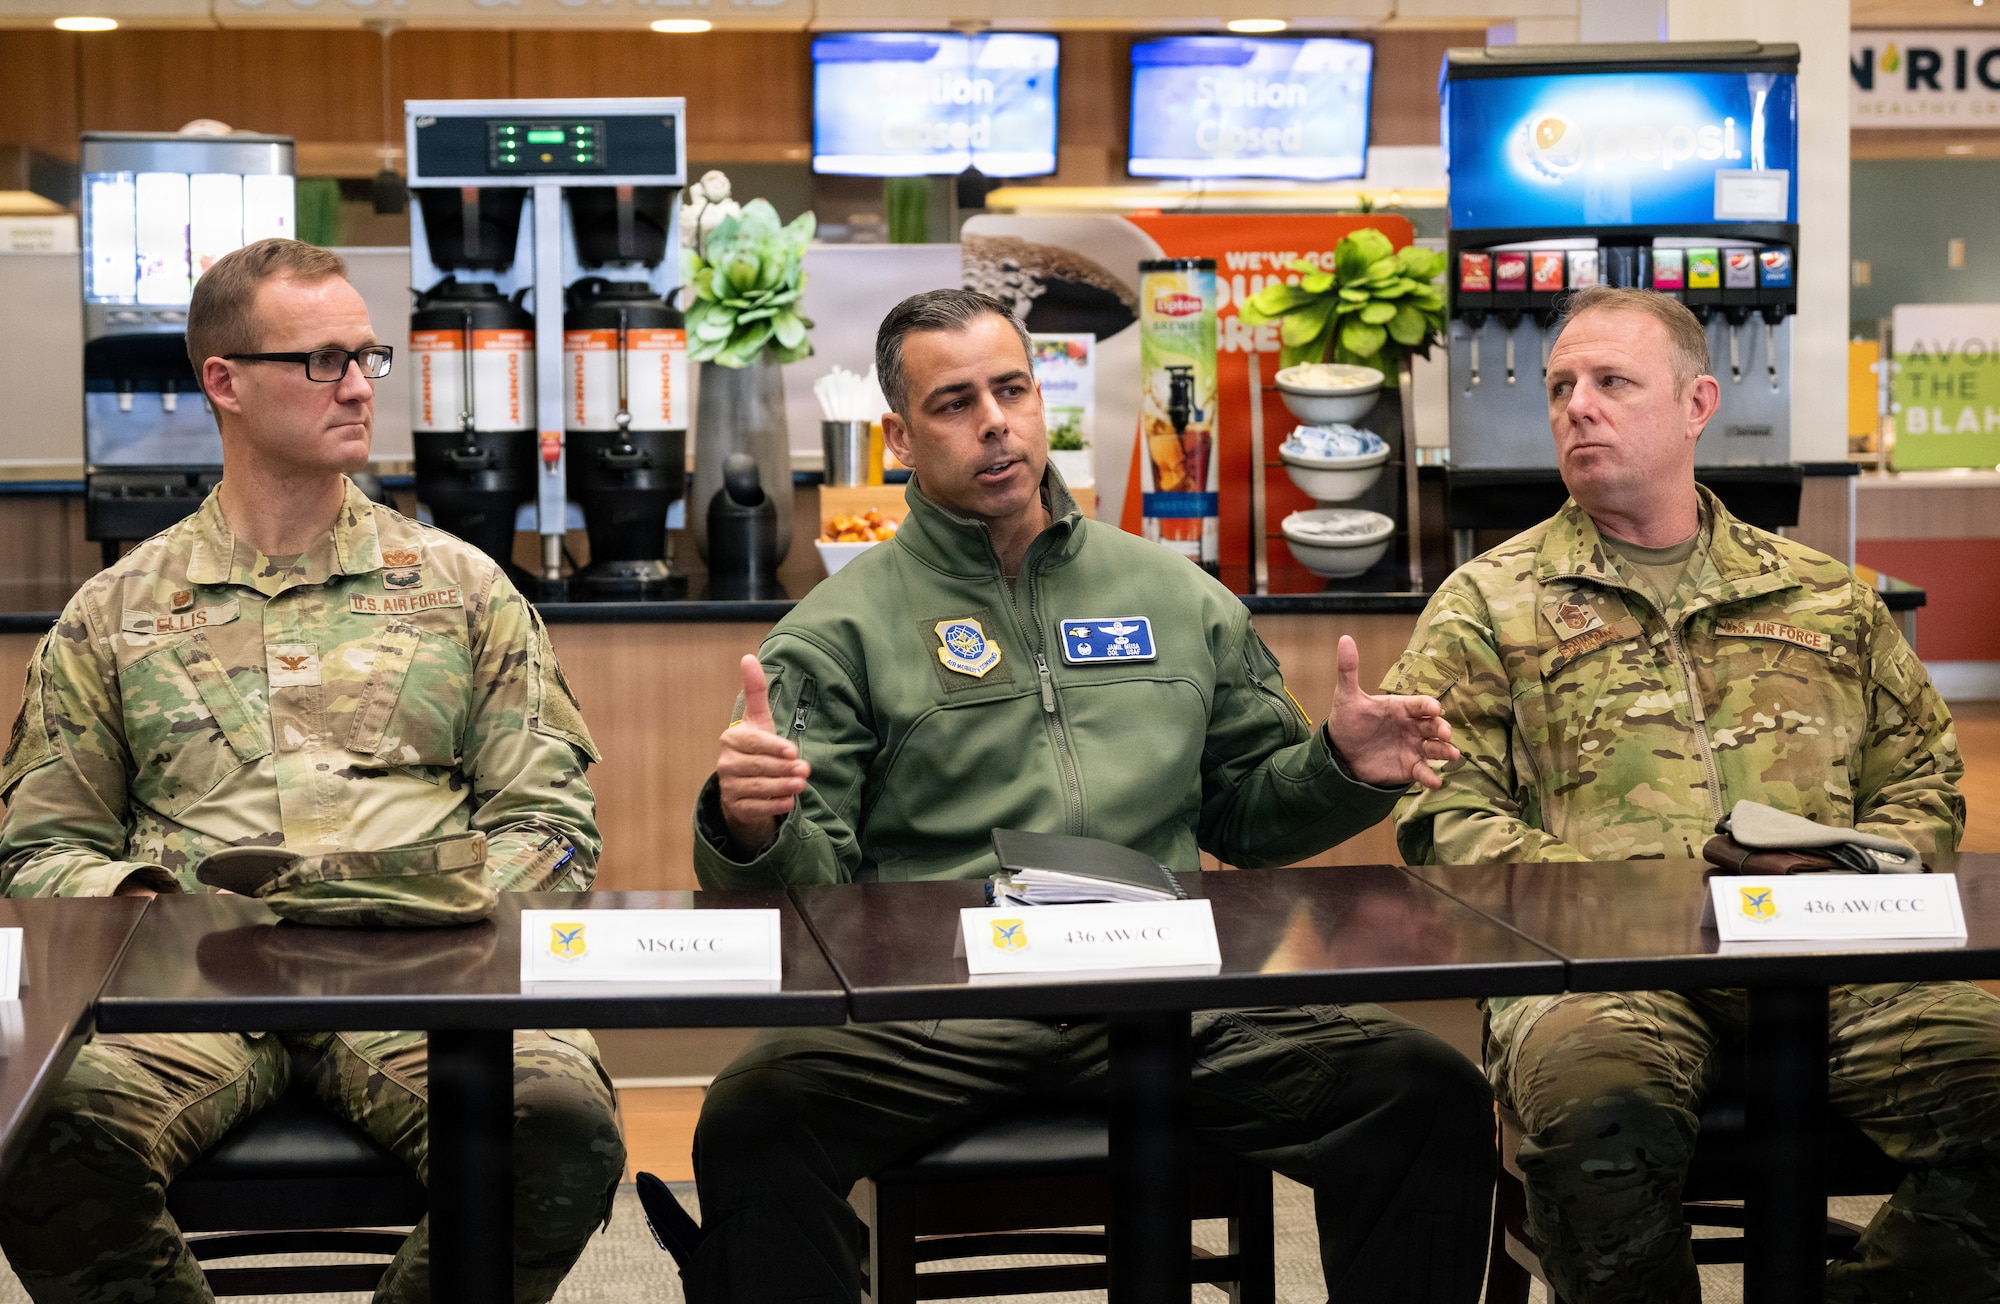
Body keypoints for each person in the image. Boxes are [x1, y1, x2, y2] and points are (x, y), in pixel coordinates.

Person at [685, 288, 1495, 1304]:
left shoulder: (1175, 593)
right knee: (753, 1116)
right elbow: (812, 905)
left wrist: (1339, 763)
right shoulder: (833, 633)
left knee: (1422, 1092)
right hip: (938, 1015)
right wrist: (749, 825)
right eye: (953, 402)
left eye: (1011, 389)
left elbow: (1248, 812)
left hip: (1175, 998)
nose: (993, 422)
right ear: (897, 435)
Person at [0, 239, 625, 1303]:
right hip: (186, 992)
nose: (355, 384)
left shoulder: (461, 588)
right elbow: (40, 853)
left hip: (428, 988)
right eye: (320, 359)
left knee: (557, 1123)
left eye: (365, 355)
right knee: (43, 1132)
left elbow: (552, 825)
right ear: (223, 382)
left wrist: (426, 903)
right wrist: (161, 911)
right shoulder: (114, 612)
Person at [1386, 283, 2000, 1304]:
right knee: (1595, 1119)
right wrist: (1645, 900)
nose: (1576, 405)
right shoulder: (1486, 601)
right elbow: (1442, 818)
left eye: (1611, 381)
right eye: (1559, 388)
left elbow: (1920, 777)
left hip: (1836, 956)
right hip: (1597, 975)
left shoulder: (1824, 594)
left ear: (1695, 403)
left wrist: (1844, 870)